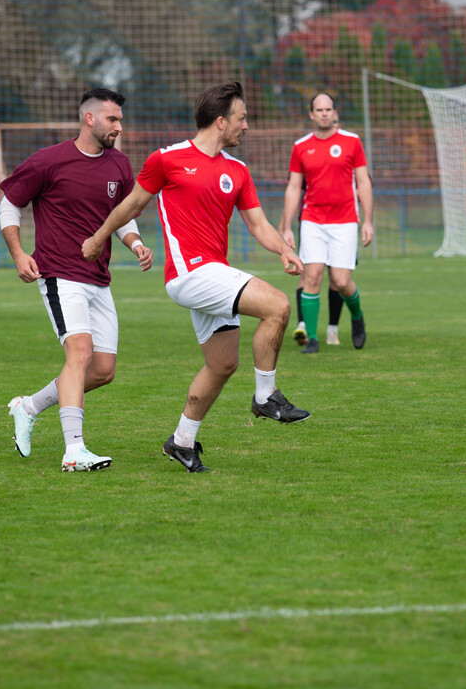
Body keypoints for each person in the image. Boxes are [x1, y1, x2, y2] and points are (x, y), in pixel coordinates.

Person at [82, 81, 309, 473]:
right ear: (220, 121)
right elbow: (131, 205)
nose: (246, 126)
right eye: (241, 118)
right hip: (189, 273)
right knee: (278, 306)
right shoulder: (167, 159)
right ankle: (266, 396)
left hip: (213, 274)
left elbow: (258, 224)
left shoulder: (237, 170)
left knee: (222, 364)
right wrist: (99, 237)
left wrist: (285, 249)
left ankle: (181, 441)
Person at [0, 88, 154, 472]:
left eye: (120, 120)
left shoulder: (119, 164)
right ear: (90, 119)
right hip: (59, 274)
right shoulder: (48, 161)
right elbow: (9, 203)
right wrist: (19, 253)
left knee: (102, 371)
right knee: (80, 354)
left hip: (99, 278)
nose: (119, 127)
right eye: (112, 119)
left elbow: (122, 217)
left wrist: (135, 243)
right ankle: (74, 451)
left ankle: (28, 407)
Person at [279, 93, 374, 354]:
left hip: (345, 221)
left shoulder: (352, 142)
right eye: (319, 110)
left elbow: (363, 182)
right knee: (312, 276)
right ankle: (311, 338)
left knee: (341, 281)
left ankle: (357, 316)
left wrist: (368, 221)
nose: (324, 114)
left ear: (334, 113)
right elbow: (293, 187)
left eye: (328, 109)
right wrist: (286, 226)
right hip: (313, 221)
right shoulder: (300, 146)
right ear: (311, 114)